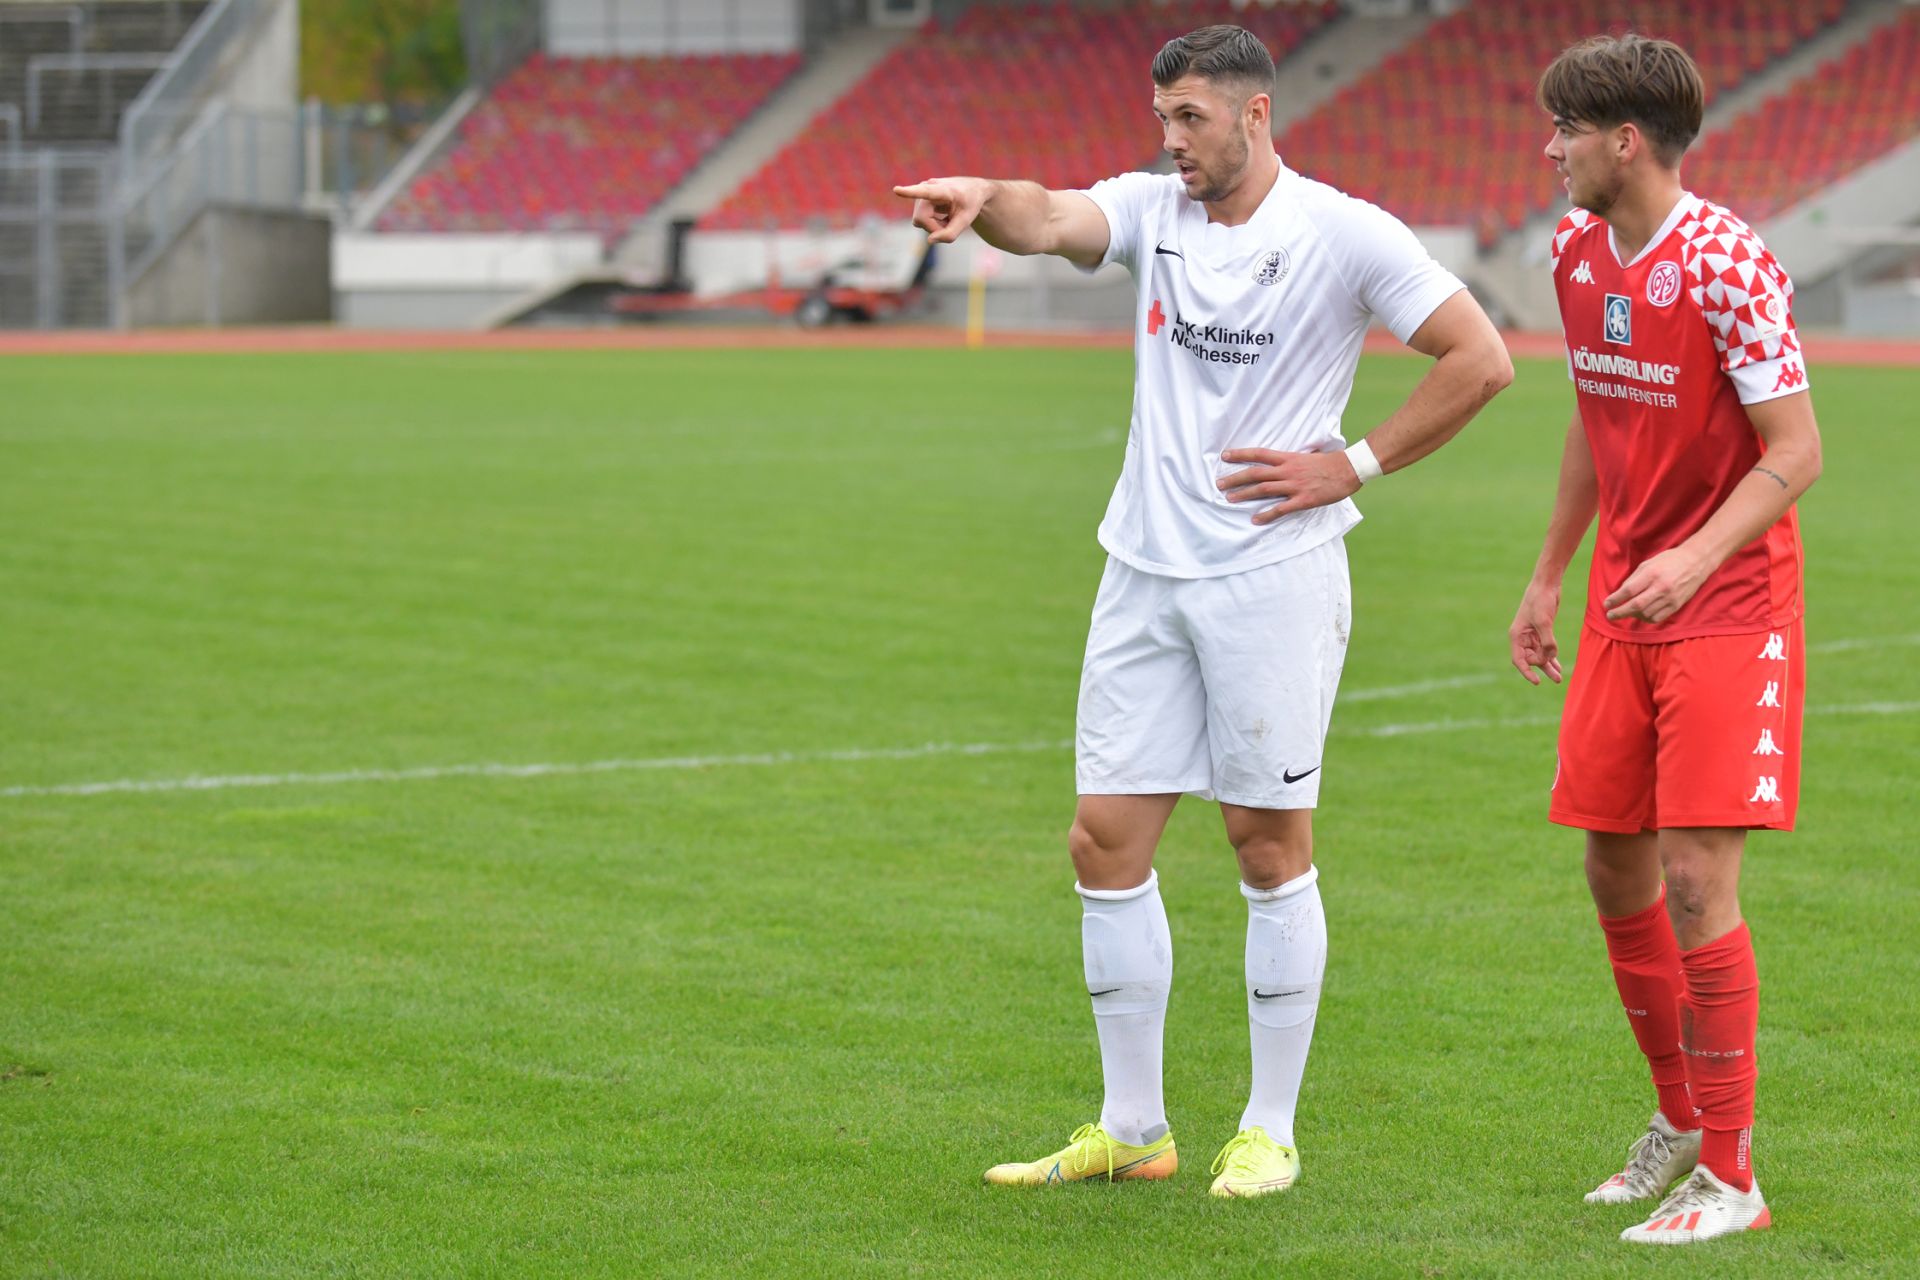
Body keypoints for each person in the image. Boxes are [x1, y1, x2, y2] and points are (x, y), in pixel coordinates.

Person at [894, 24, 1512, 1197]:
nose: (1170, 139)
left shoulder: (1342, 231)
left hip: (1270, 579)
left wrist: (1354, 463)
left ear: (1255, 114)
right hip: (1141, 570)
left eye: (1190, 118)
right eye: (1161, 116)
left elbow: (1479, 357)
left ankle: (1269, 1128)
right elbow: (1053, 215)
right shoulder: (1152, 208)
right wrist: (982, 197)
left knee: (1267, 847)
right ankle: (1136, 1127)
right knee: (1104, 839)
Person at [1511, 33, 1821, 1244]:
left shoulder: (1731, 261)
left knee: (1697, 877)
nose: (1550, 152)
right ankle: (1679, 1118)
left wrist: (1695, 554)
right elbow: (1597, 409)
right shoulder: (1576, 248)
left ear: (1622, 141)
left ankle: (1734, 1176)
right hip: (1624, 600)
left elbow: (1795, 452)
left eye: (1566, 133)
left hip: (1729, 604)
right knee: (1613, 864)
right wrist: (1550, 574)